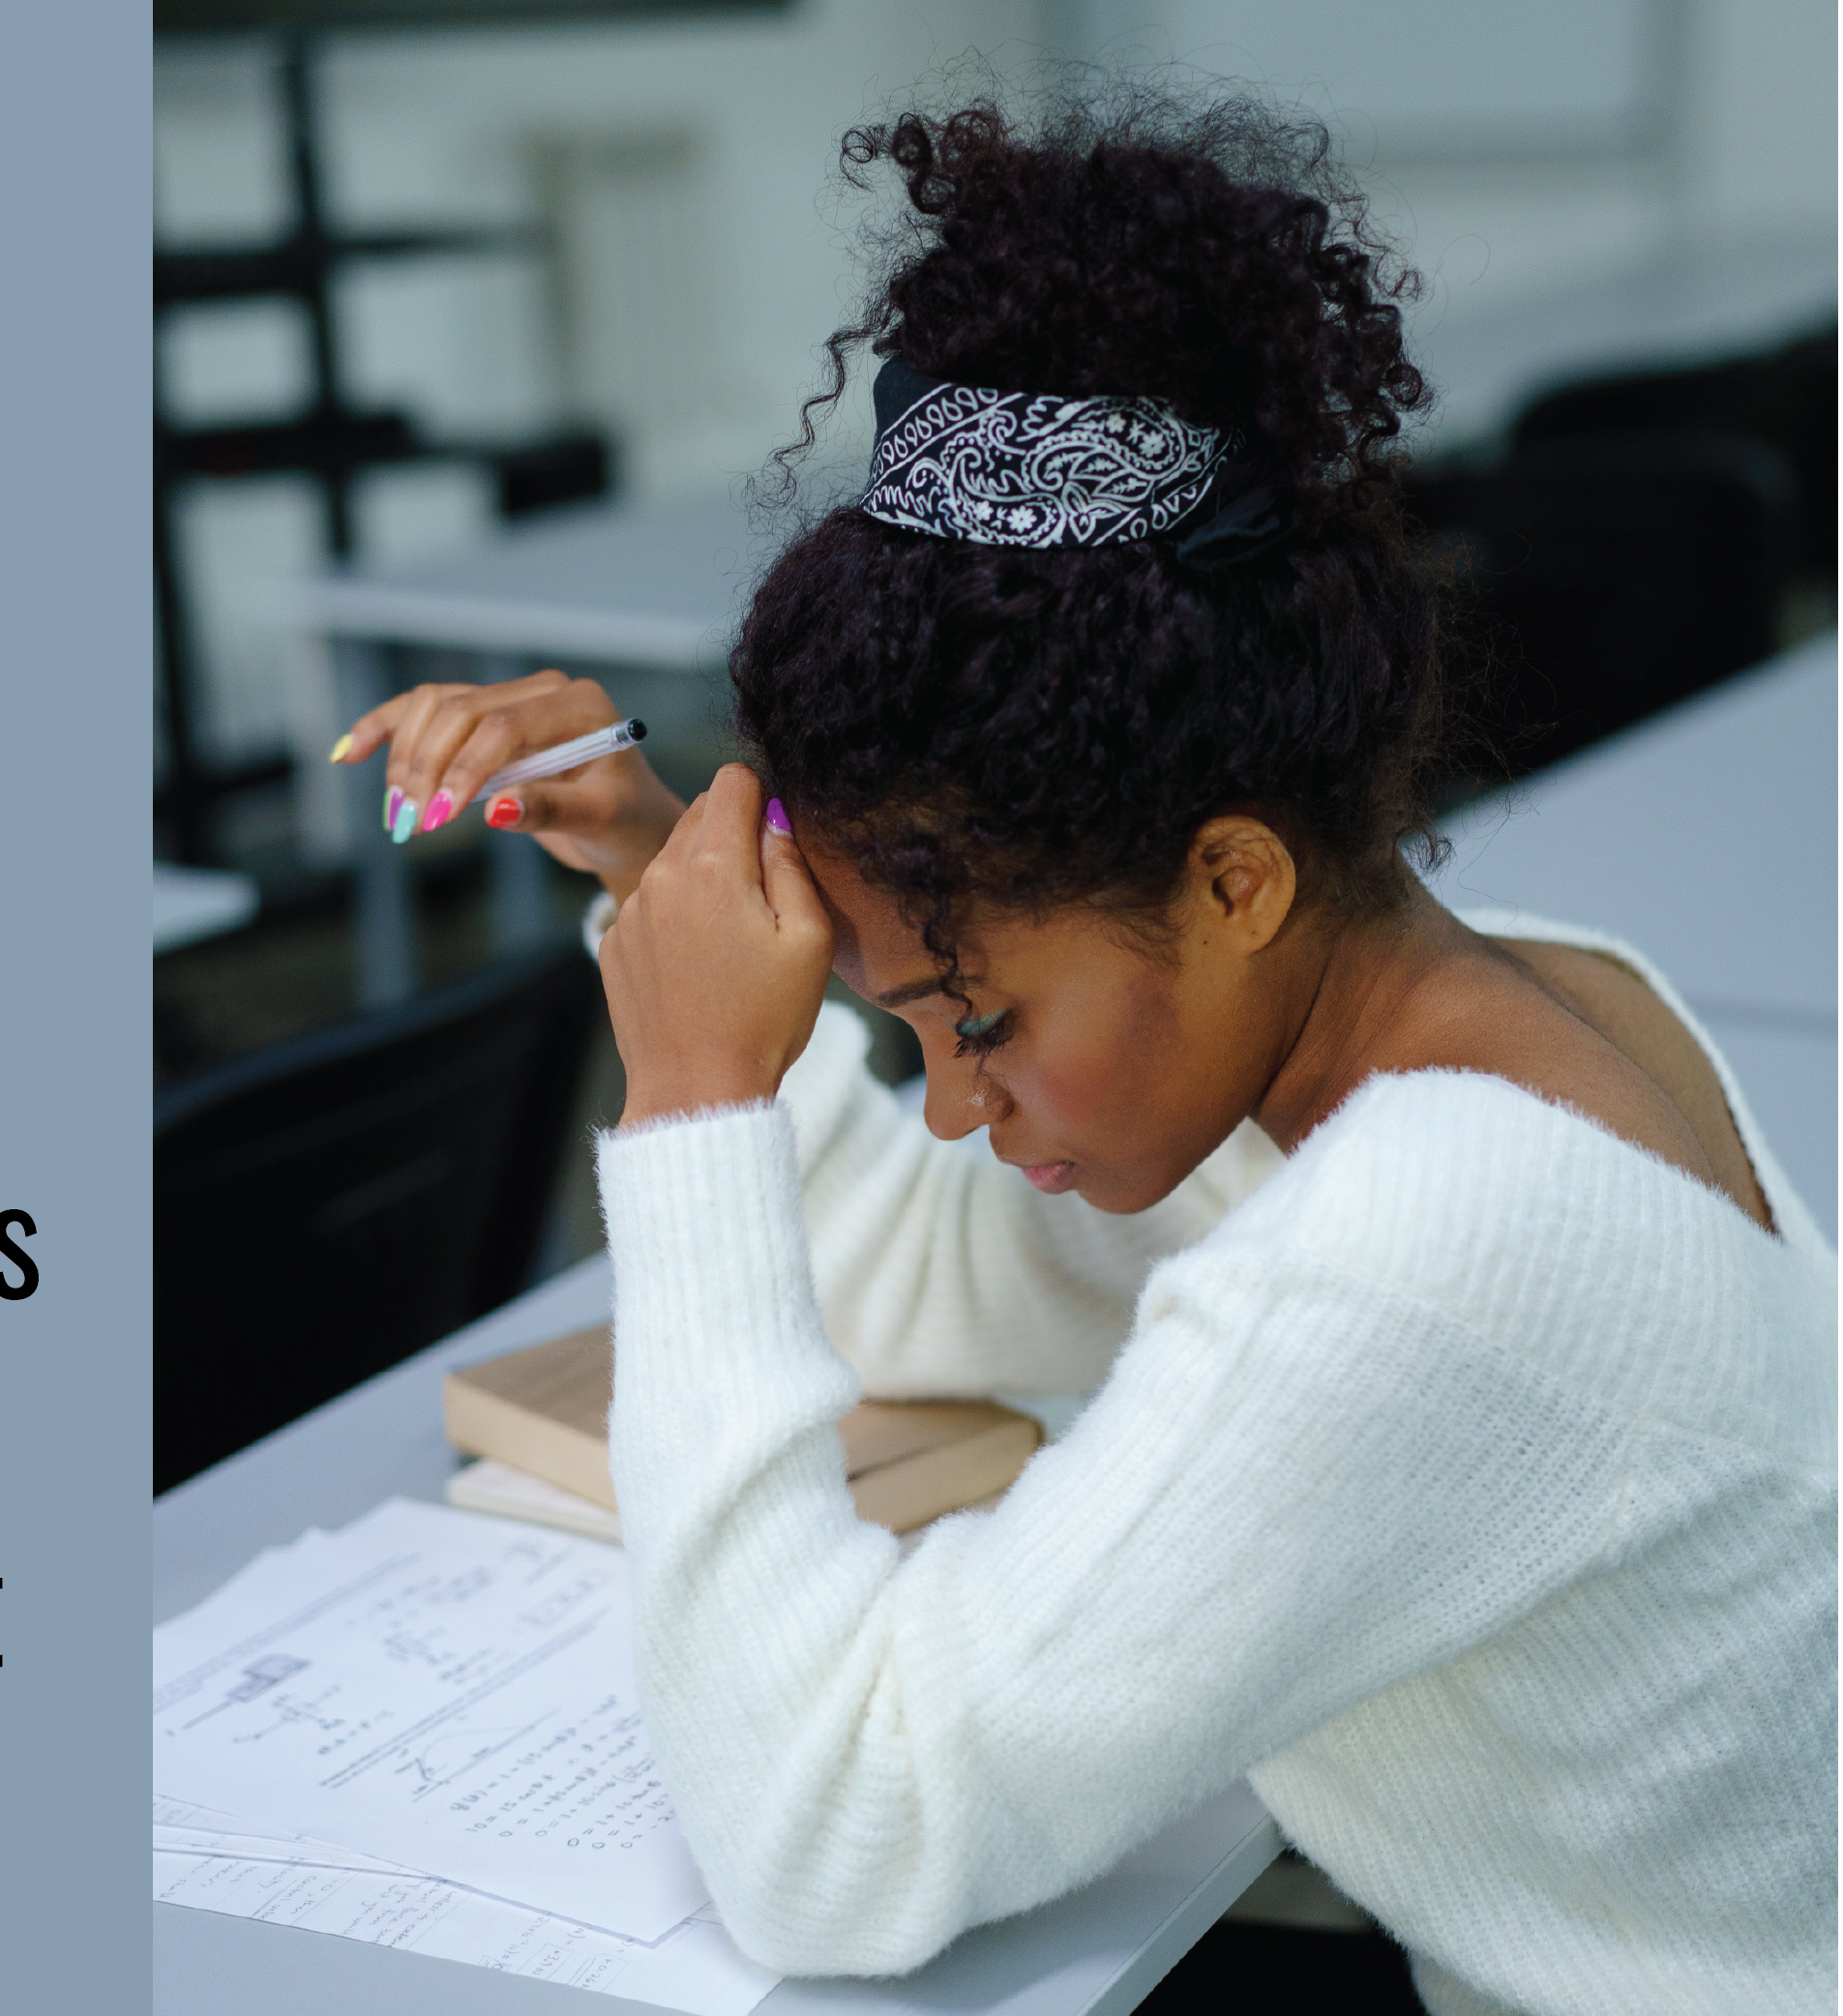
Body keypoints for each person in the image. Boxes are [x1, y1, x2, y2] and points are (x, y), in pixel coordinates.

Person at [329, 91, 1834, 2016]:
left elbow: (823, 1841)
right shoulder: (1504, 1010)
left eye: (979, 1019)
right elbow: (930, 1290)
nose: (958, 1106)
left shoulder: (1422, 1242)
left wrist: (696, 1102)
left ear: (1225, 879)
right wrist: (647, 869)